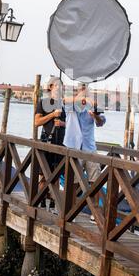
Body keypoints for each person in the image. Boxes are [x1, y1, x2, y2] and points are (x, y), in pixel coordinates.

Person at [63, 84, 106, 221]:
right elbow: (66, 100)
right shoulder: (71, 106)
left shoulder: (92, 106)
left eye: (85, 89)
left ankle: (96, 212)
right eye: (81, 89)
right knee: (73, 181)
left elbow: (101, 123)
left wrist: (95, 116)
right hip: (75, 147)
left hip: (89, 147)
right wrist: (85, 98)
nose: (83, 92)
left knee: (96, 180)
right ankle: (72, 210)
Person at [34, 76, 66, 207]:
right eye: (57, 85)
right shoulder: (43, 102)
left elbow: (70, 125)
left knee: (57, 176)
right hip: (47, 143)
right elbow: (37, 122)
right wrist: (52, 115)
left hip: (60, 145)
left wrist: (62, 123)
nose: (59, 88)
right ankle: (39, 201)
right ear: (51, 87)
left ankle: (53, 204)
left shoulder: (63, 104)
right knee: (44, 176)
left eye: (61, 86)